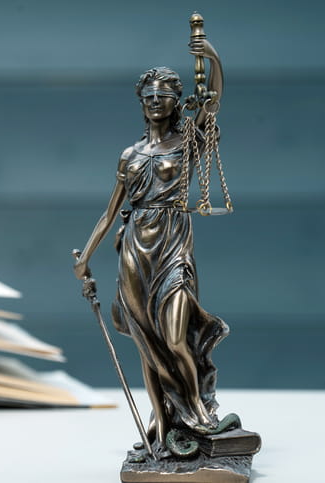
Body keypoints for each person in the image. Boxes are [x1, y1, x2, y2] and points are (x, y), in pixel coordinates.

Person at [74, 39, 229, 454]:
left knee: (176, 337)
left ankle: (198, 412)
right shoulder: (130, 155)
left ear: (177, 100)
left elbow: (213, 103)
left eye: (164, 95)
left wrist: (212, 57)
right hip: (135, 253)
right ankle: (161, 426)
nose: (156, 102)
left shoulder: (188, 141)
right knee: (147, 344)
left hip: (173, 245)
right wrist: (85, 257)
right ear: (141, 103)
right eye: (149, 96)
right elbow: (109, 214)